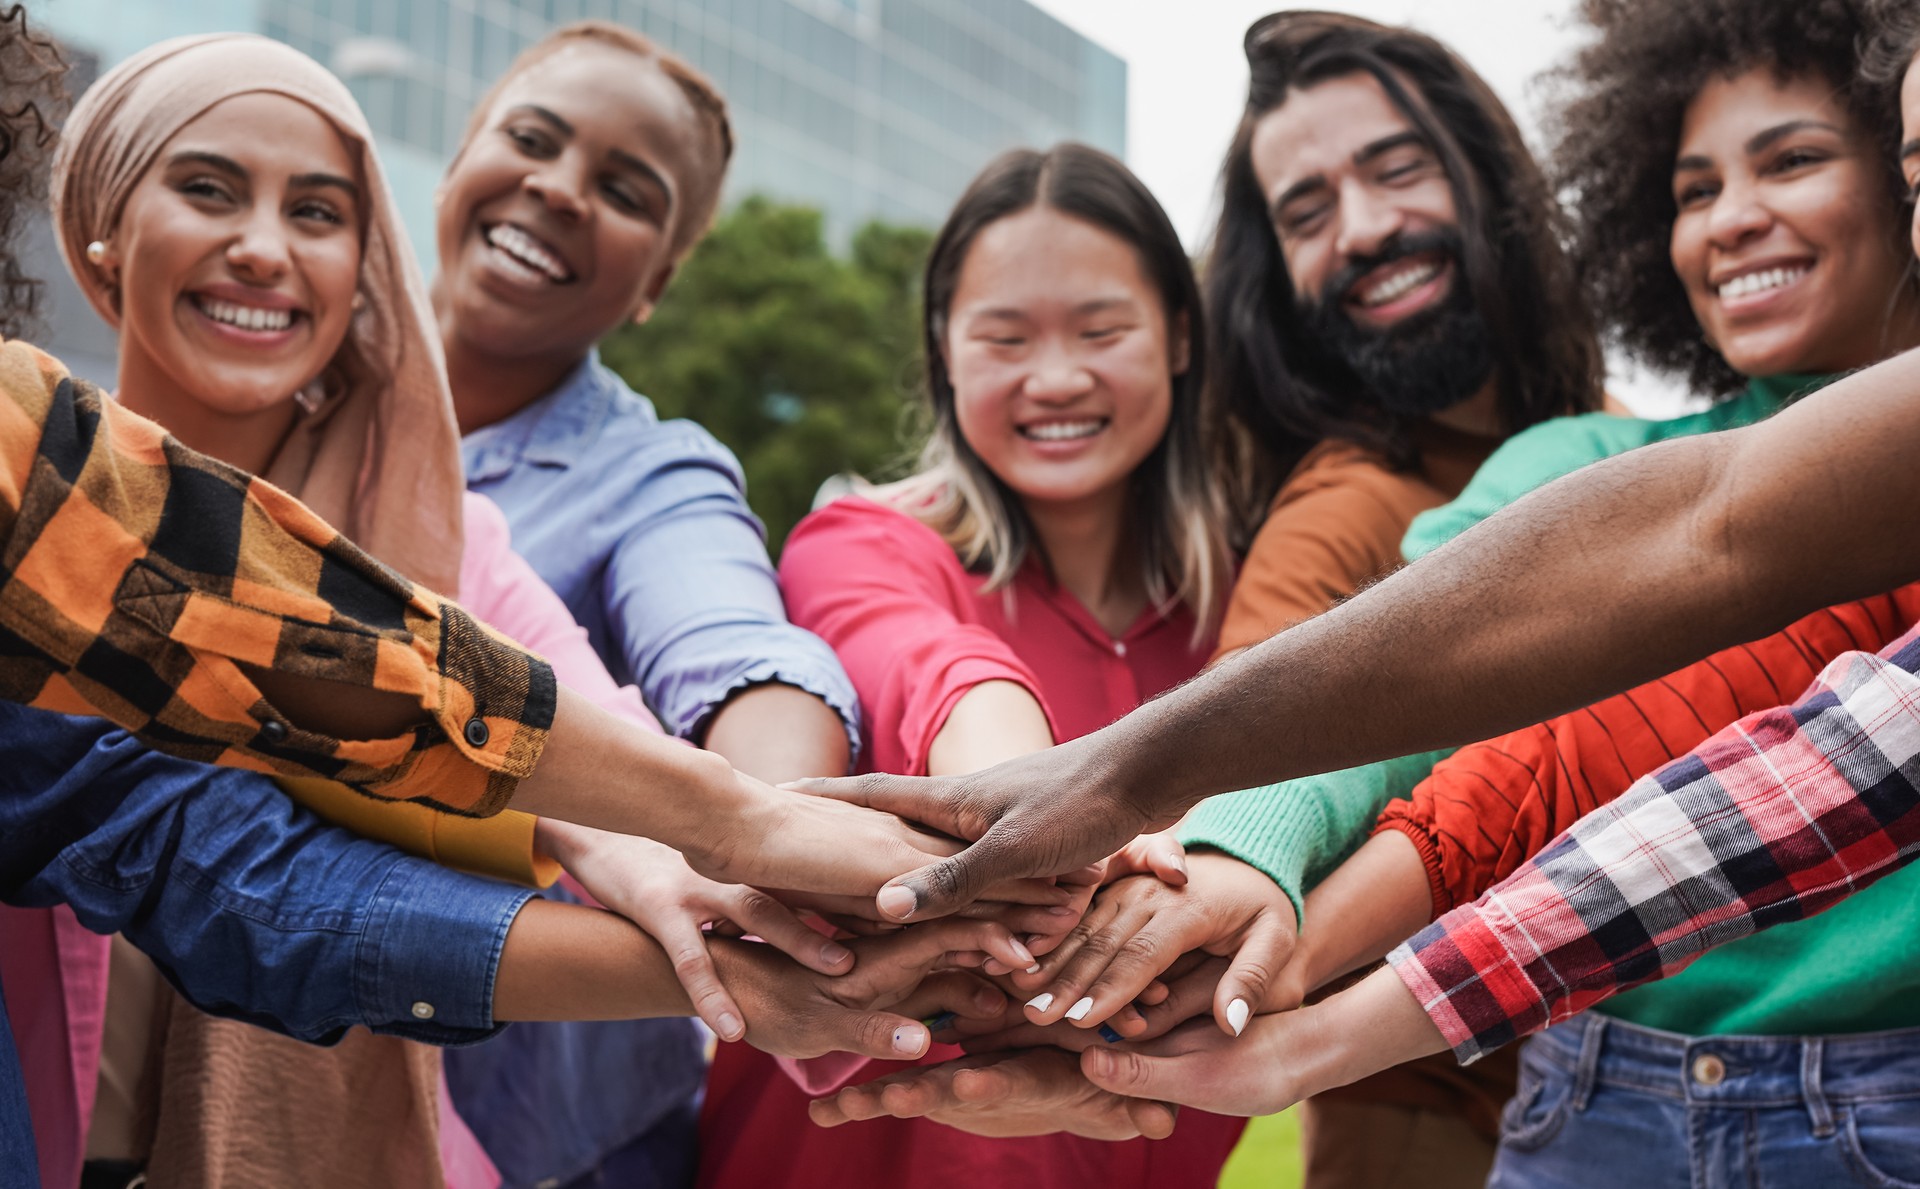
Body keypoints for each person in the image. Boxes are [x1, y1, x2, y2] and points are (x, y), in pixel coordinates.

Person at [1039, 15, 1600, 1183]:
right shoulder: (1345, 512)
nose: (1363, 229)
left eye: (1398, 169)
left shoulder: (1596, 450)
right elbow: (1247, 765)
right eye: (1305, 212)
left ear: (1488, 176)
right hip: (1444, 1131)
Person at [701, 143, 1243, 1189]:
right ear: (944, 353)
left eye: (1102, 330)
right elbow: (931, 660)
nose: (1055, 379)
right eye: (1003, 337)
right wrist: (1037, 808)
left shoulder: (1247, 610)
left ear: (1179, 336)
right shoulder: (860, 539)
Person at [427, 26, 868, 1185]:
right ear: (466, 148)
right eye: (532, 138)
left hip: (547, 1137)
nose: (559, 191)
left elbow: (734, 646)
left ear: (661, 278)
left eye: (626, 191)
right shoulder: (282, 375)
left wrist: (773, 823)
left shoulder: (656, 475)